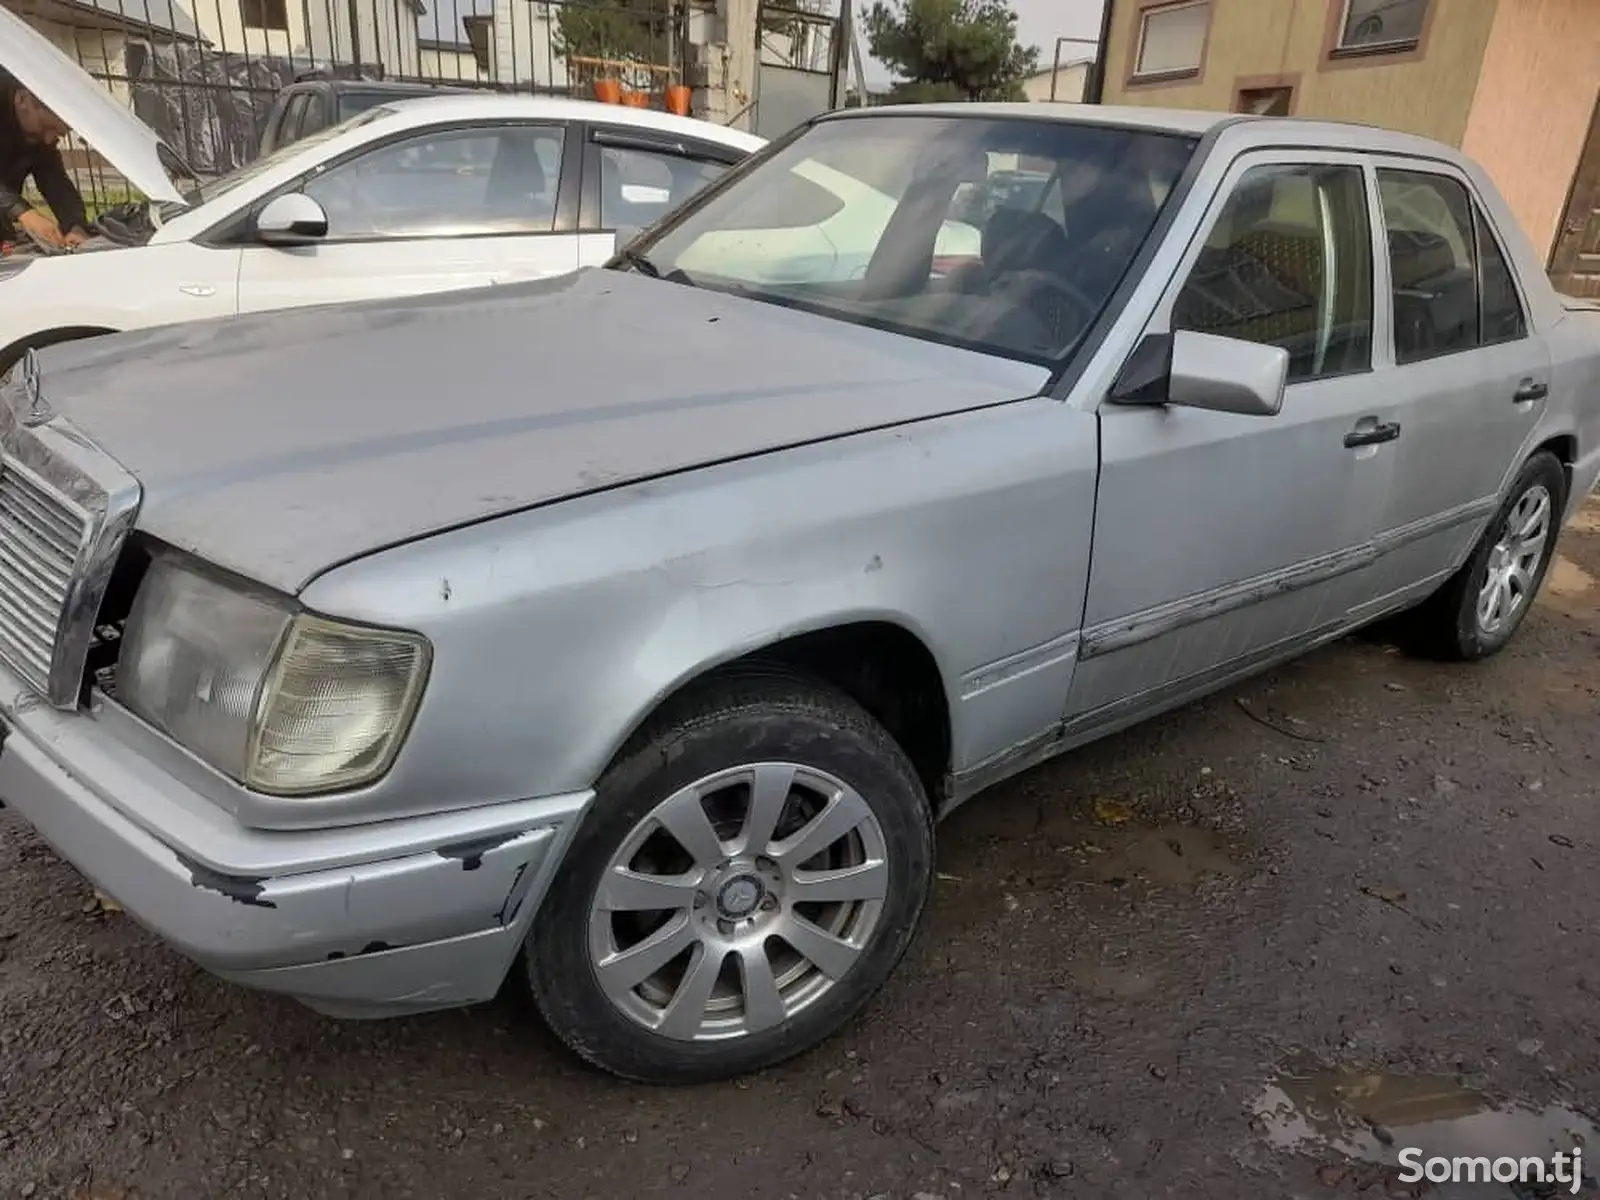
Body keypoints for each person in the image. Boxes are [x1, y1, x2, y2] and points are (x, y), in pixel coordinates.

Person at [0, 69, 90, 250]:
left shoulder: (37, 136)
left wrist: (75, 224)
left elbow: (54, 179)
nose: (50, 139)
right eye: (48, 127)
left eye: (58, 134)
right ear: (22, 100)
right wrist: (24, 213)